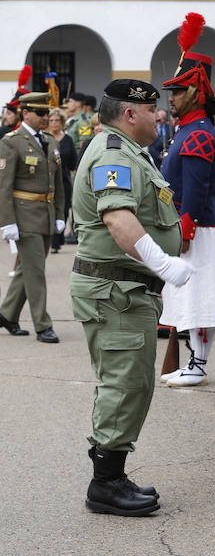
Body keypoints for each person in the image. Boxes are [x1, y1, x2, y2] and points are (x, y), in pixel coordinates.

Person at [71, 79, 192, 516]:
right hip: (114, 291)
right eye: (151, 110)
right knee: (124, 385)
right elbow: (118, 218)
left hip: (125, 289)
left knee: (132, 384)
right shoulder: (113, 154)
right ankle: (105, 483)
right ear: (129, 114)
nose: (159, 116)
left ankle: (111, 473)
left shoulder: (132, 155)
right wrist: (163, 263)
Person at [157, 30, 215, 388]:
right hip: (184, 226)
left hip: (194, 228)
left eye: (178, 91)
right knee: (185, 297)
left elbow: (197, 190)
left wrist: (185, 228)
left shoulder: (198, 133)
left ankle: (198, 365)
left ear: (197, 92)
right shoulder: (186, 130)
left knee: (199, 298)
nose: (172, 98)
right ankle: (192, 362)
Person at [0, 92, 65, 343]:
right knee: (36, 271)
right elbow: (3, 186)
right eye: (40, 113)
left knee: (27, 270)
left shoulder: (50, 140)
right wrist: (7, 222)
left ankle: (7, 314)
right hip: (24, 216)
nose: (45, 118)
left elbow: (58, 183)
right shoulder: (11, 142)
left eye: (47, 113)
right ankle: (43, 324)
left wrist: (60, 214)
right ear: (24, 113)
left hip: (46, 214)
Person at [47, 107, 78, 253]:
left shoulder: (68, 139)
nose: (54, 123)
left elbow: (73, 162)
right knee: (50, 209)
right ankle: (53, 242)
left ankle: (57, 239)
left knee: (64, 209)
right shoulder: (44, 137)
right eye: (51, 120)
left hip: (64, 179)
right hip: (47, 179)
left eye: (57, 120)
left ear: (62, 122)